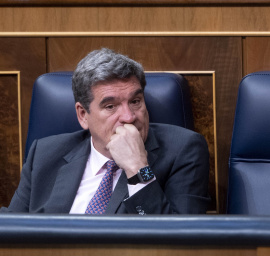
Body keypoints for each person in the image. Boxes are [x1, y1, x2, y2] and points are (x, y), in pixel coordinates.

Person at [1, 48, 210, 214]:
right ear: (83, 115)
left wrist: (138, 168)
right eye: (111, 107)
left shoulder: (183, 150)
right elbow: (12, 230)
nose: (128, 117)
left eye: (135, 101)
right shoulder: (45, 154)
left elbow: (179, 241)